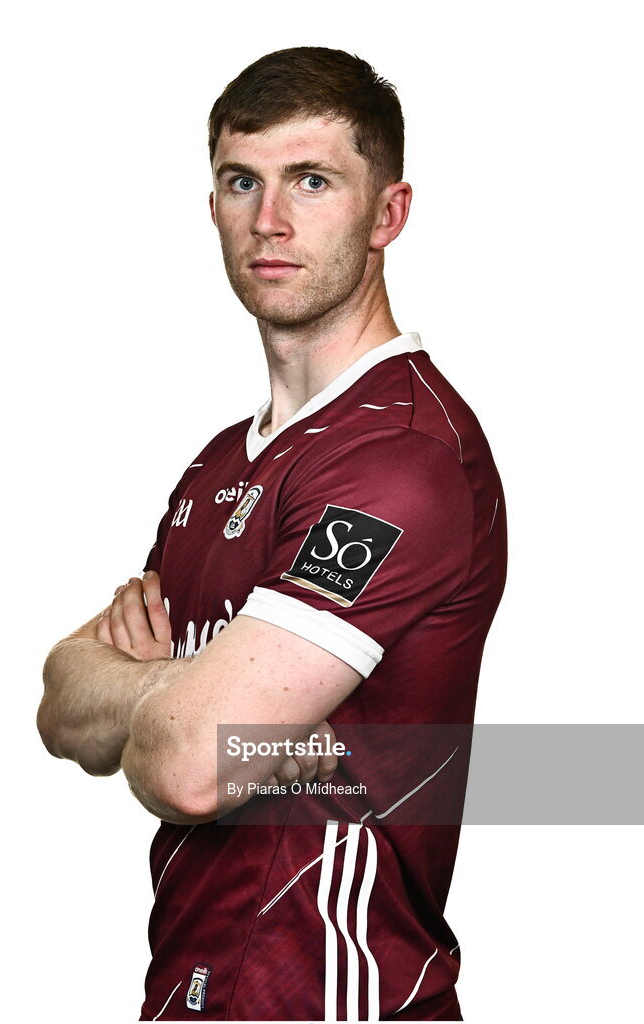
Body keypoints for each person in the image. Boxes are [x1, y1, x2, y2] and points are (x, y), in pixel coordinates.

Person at [37, 45, 508, 1022]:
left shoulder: (404, 456)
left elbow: (187, 764)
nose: (270, 220)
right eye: (241, 180)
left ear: (388, 213)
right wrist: (193, 702)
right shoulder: (218, 464)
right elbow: (62, 706)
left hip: (339, 1001)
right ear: (210, 204)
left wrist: (180, 708)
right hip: (184, 992)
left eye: (312, 180)